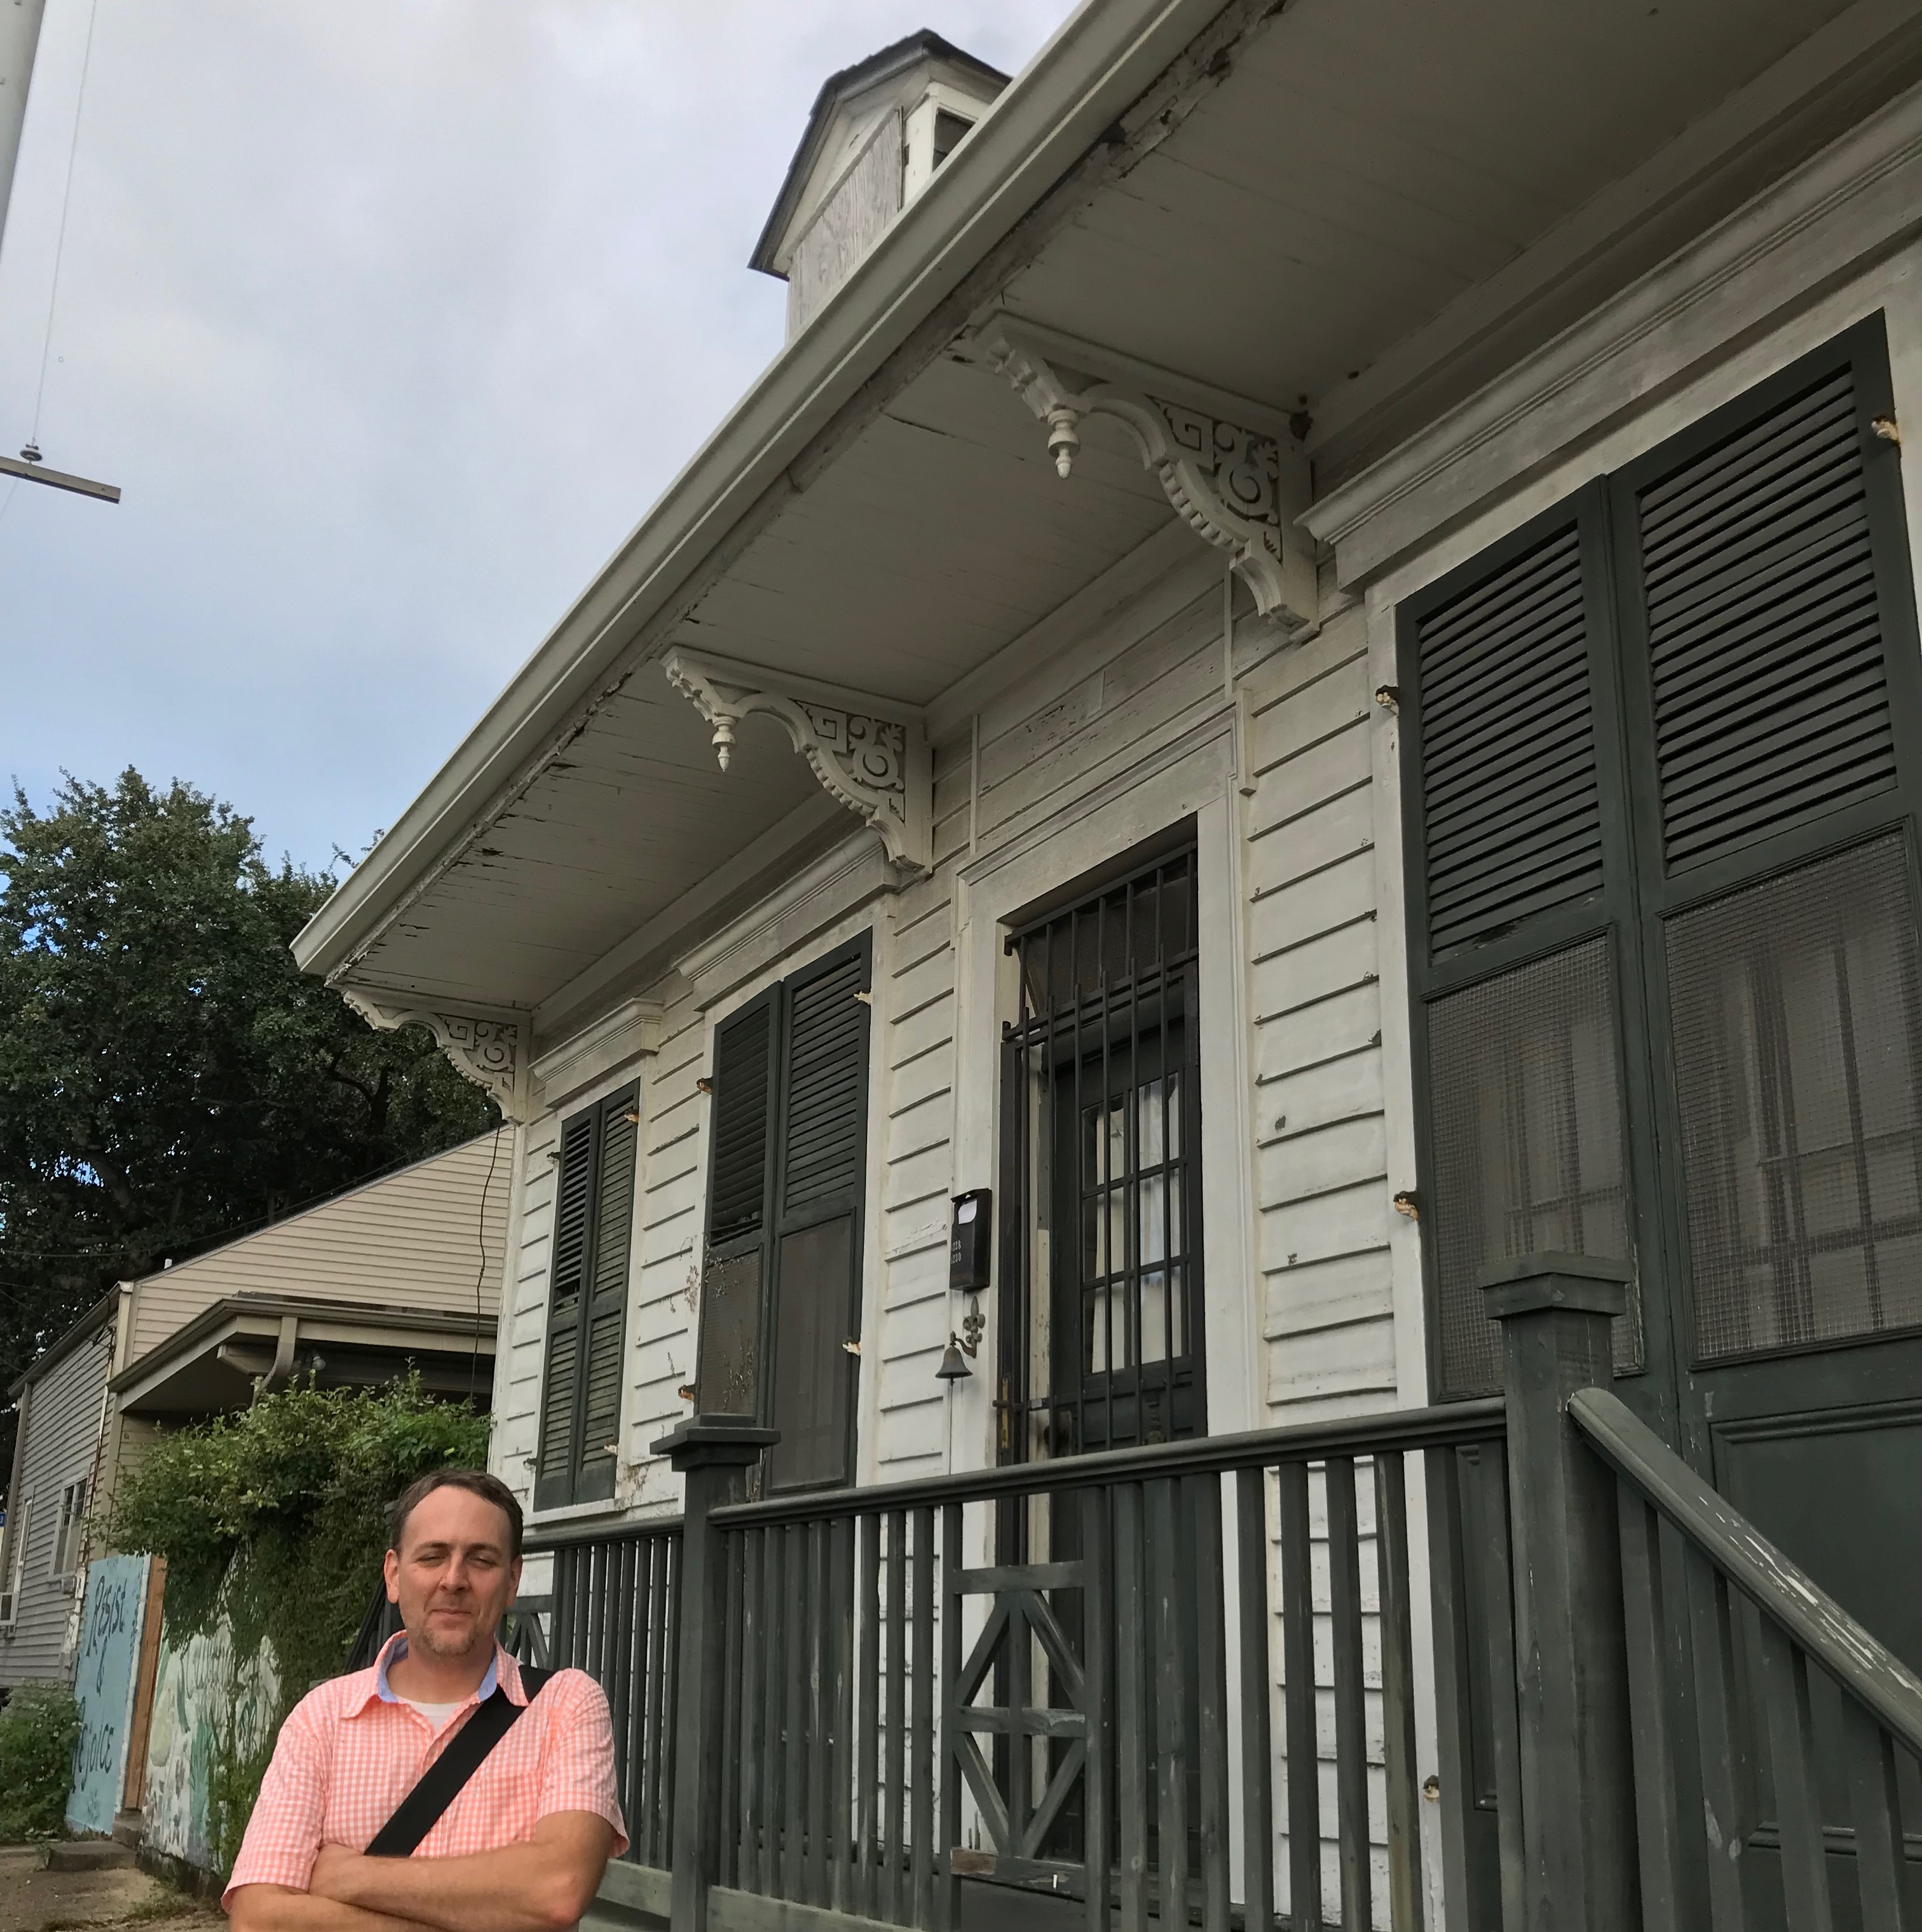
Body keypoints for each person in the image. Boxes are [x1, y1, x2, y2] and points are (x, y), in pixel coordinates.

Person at [224, 1469, 624, 1932]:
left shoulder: (565, 1705)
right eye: (432, 1557)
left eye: (481, 1560)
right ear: (394, 1575)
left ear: (513, 1579)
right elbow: (259, 1920)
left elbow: (557, 1890)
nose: (453, 1580)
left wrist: (349, 1875)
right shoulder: (322, 1718)